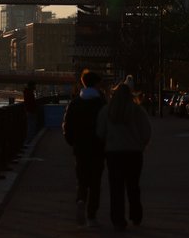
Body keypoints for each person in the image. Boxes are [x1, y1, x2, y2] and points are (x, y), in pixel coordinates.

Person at [97, 79, 152, 229]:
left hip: (114, 154)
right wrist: (140, 144)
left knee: (116, 187)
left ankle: (118, 219)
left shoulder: (106, 111)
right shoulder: (138, 111)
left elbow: (100, 133)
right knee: (133, 185)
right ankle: (136, 215)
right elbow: (147, 131)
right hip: (134, 153)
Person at [63, 69, 107, 227]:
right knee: (95, 182)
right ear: (95, 84)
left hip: (80, 147)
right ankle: (92, 214)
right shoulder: (101, 103)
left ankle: (81, 199)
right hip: (97, 147)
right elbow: (106, 125)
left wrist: (72, 142)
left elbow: (67, 126)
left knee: (82, 179)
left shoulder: (75, 102)